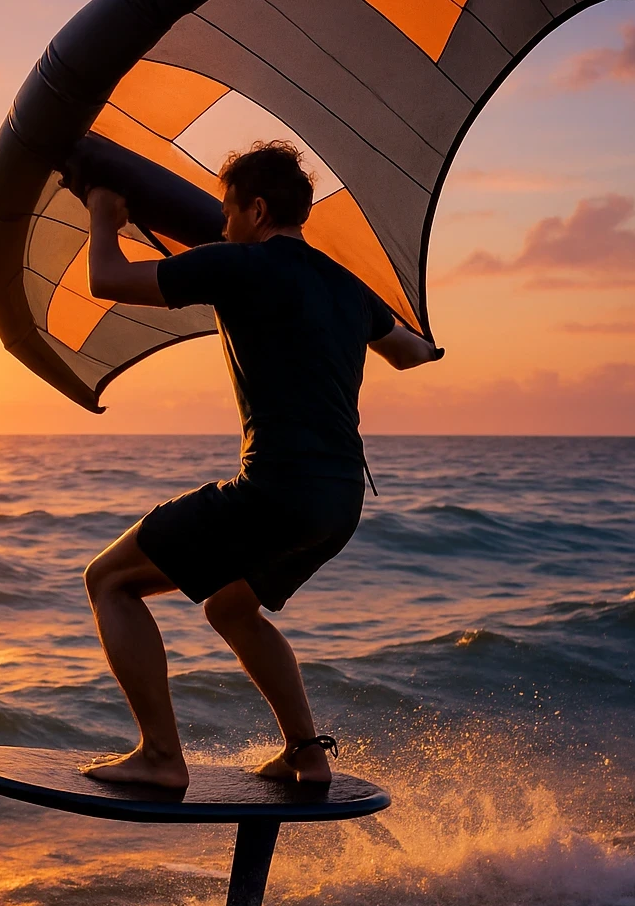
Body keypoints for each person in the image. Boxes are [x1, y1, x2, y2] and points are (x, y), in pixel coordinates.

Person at [80, 141, 442, 789]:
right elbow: (413, 354)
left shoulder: (240, 265)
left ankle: (161, 757)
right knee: (229, 608)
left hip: (277, 489)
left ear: (255, 208)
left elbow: (106, 279)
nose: (220, 224)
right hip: (342, 501)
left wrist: (104, 208)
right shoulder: (346, 286)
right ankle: (307, 754)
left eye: (227, 209)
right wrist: (412, 335)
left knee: (108, 580)